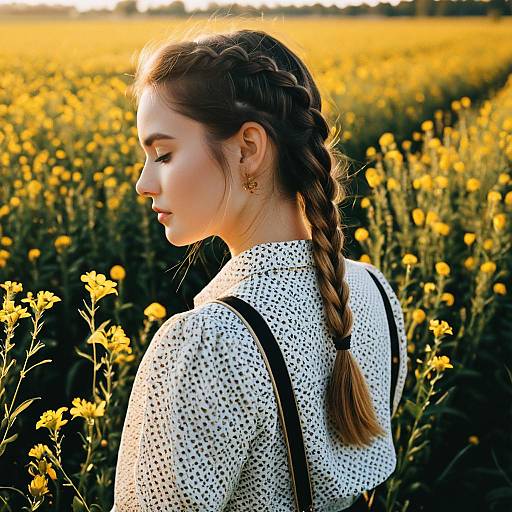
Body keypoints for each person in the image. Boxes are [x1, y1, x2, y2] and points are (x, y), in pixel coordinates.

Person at [111, 27, 409, 512]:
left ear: (248, 148)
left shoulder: (208, 345)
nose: (144, 183)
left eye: (163, 154)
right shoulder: (374, 293)